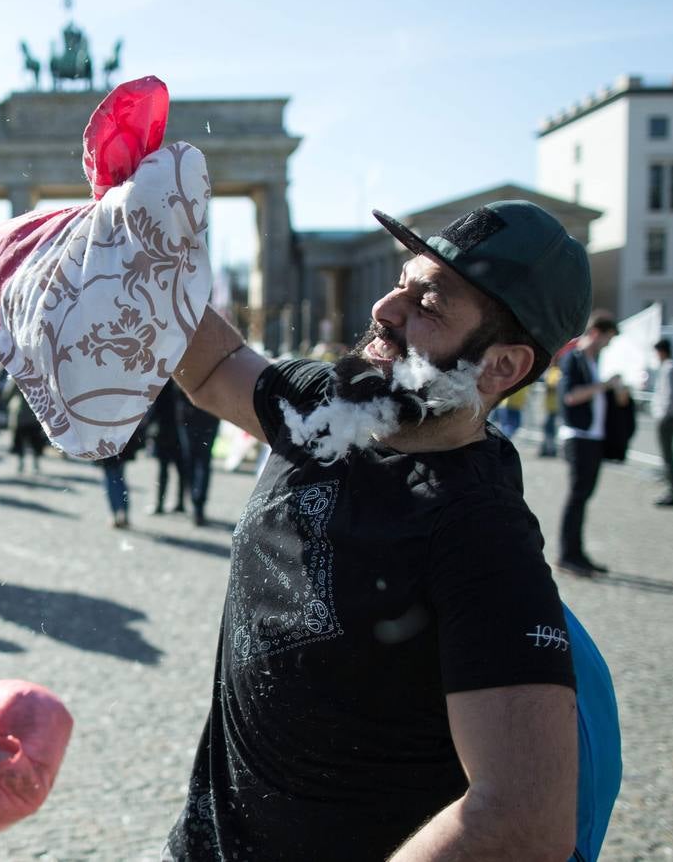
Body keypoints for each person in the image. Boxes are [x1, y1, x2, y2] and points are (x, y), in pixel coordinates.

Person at [164, 200, 582, 860]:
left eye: (429, 304)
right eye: (401, 281)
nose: (386, 309)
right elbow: (216, 373)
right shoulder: (332, 406)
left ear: (504, 366)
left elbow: (525, 817)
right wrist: (131, 260)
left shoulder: (481, 533)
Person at [557, 314, 621, 576]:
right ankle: (568, 554)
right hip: (578, 436)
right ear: (596, 332)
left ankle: (576, 552)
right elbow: (571, 396)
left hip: (592, 436)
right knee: (577, 495)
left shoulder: (594, 361)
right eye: (607, 338)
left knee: (583, 496)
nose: (607, 344)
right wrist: (604, 386)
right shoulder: (574, 358)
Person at [651, 338, 673, 507]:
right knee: (668, 456)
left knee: (668, 457)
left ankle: (672, 492)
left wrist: (663, 414)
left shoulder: (669, 368)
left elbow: (670, 396)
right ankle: (672, 489)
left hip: (667, 418)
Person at [178, 392, 220, 526]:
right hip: (206, 415)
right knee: (202, 463)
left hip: (192, 416)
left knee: (194, 462)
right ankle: (197, 505)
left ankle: (196, 503)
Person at [148, 380, 188, 515]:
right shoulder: (181, 381)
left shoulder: (164, 380)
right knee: (179, 470)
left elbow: (155, 406)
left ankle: (162, 503)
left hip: (167, 430)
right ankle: (179, 502)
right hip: (178, 430)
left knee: (165, 470)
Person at [2, 377, 47, 475]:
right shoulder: (38, 375)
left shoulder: (17, 376)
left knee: (20, 441)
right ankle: (36, 464)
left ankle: (21, 463)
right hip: (35, 414)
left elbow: (7, 393)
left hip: (20, 414)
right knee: (35, 440)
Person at [539, 365, 561, 457]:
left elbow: (552, 385)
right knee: (547, 428)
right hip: (549, 406)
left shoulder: (556, 371)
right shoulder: (552, 371)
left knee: (550, 429)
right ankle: (547, 448)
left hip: (554, 407)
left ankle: (550, 449)